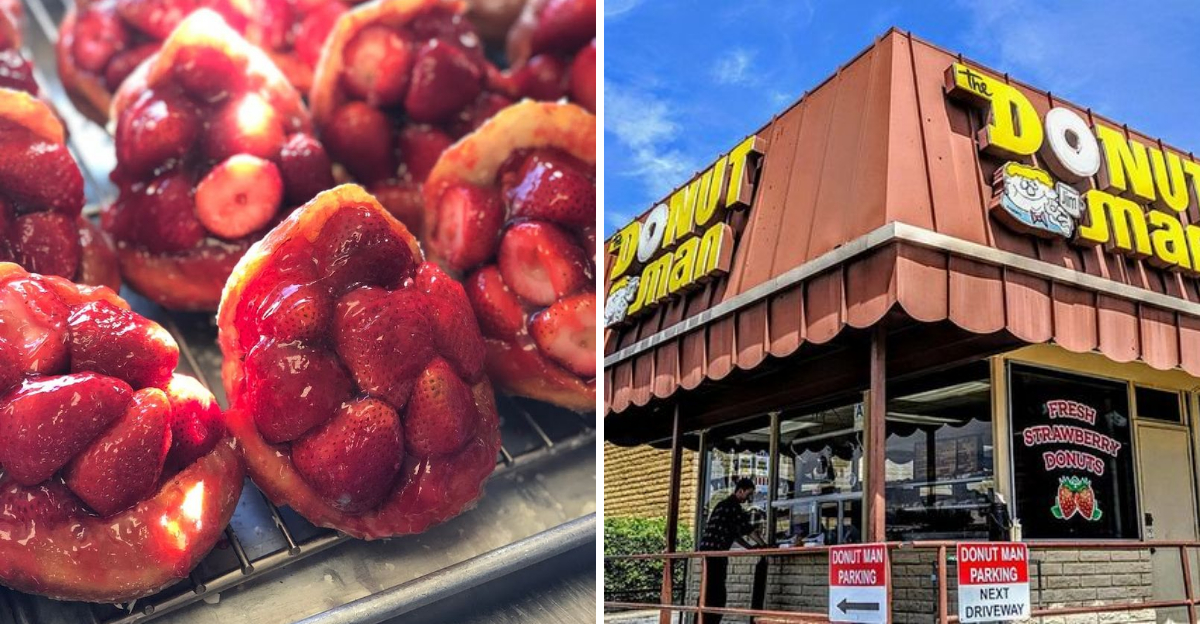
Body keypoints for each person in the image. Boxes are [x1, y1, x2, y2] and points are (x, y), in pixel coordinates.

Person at [697, 478, 762, 624]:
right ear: (740, 491)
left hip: (707, 552)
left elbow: (734, 533)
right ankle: (709, 621)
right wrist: (763, 545)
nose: (749, 498)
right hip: (717, 553)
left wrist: (749, 547)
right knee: (717, 592)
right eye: (748, 494)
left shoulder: (722, 505)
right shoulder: (733, 506)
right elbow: (748, 529)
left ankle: (701, 619)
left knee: (708, 588)